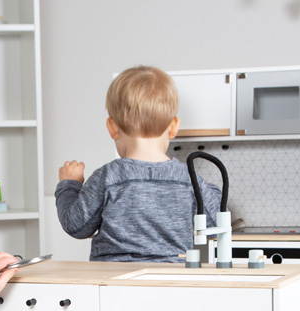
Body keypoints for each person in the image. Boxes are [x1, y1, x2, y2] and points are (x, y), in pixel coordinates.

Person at [55, 65, 223, 263]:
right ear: (173, 127)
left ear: (112, 127)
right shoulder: (187, 179)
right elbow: (217, 222)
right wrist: (209, 189)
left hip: (113, 278)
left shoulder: (108, 177)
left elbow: (76, 226)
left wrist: (69, 185)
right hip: (171, 278)